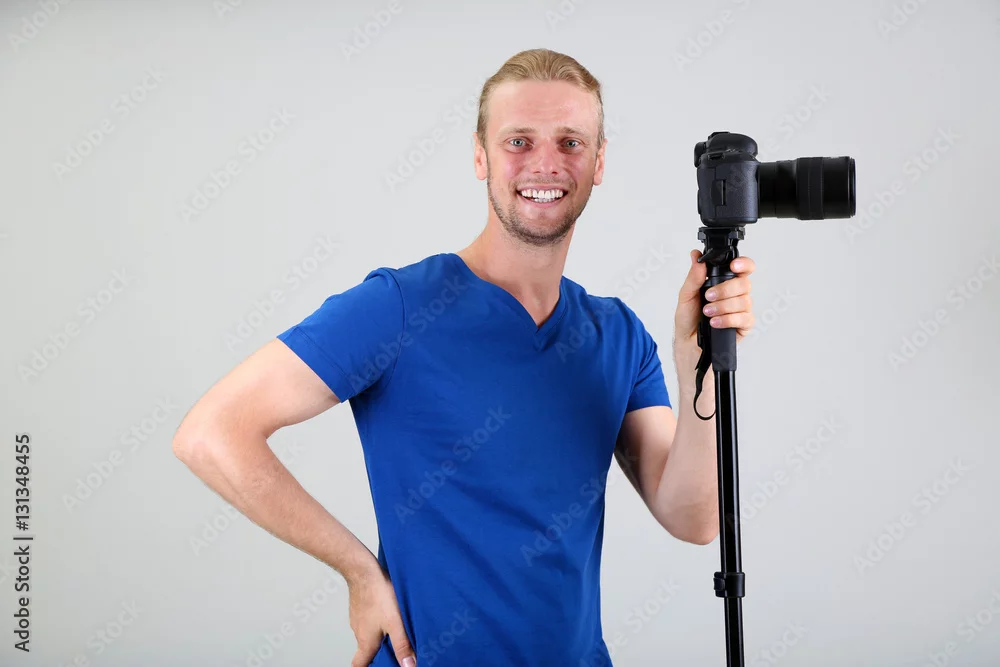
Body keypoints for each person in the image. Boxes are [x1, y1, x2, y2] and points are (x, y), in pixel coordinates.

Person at [172, 48, 756, 667]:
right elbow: (211, 433)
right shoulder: (399, 307)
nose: (546, 164)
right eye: (518, 141)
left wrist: (697, 363)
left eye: (570, 142)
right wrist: (357, 571)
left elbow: (693, 518)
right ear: (480, 156)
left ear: (599, 161)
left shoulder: (617, 334)